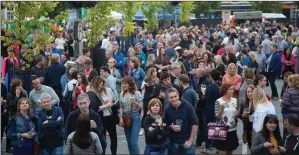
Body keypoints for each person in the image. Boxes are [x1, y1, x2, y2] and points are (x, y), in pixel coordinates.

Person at [163, 88, 198, 155]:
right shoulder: (167, 109)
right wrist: (171, 126)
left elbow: (195, 124)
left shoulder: (188, 106)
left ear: (178, 96)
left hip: (186, 142)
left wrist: (190, 141)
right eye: (171, 97)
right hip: (173, 143)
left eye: (175, 96)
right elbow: (164, 125)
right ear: (168, 99)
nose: (174, 99)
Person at [119, 77, 143, 155]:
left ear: (130, 84)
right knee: (129, 143)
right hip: (125, 117)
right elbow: (121, 107)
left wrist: (135, 102)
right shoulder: (121, 93)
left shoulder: (137, 93)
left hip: (135, 116)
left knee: (133, 142)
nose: (123, 85)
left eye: (125, 83)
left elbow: (141, 107)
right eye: (123, 83)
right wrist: (120, 118)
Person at [214, 83, 239, 155]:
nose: (232, 91)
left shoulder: (235, 100)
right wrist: (221, 110)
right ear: (225, 90)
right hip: (221, 129)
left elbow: (236, 115)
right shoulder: (218, 101)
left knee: (230, 151)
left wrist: (237, 114)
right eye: (230, 89)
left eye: (233, 89)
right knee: (222, 151)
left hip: (232, 129)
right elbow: (216, 117)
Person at [98, 78, 118, 155]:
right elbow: (95, 106)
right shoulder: (96, 93)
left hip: (110, 116)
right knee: (103, 139)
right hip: (102, 117)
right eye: (102, 84)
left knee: (113, 138)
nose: (104, 86)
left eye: (105, 84)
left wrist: (110, 103)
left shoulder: (108, 90)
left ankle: (114, 153)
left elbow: (114, 101)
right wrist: (104, 105)